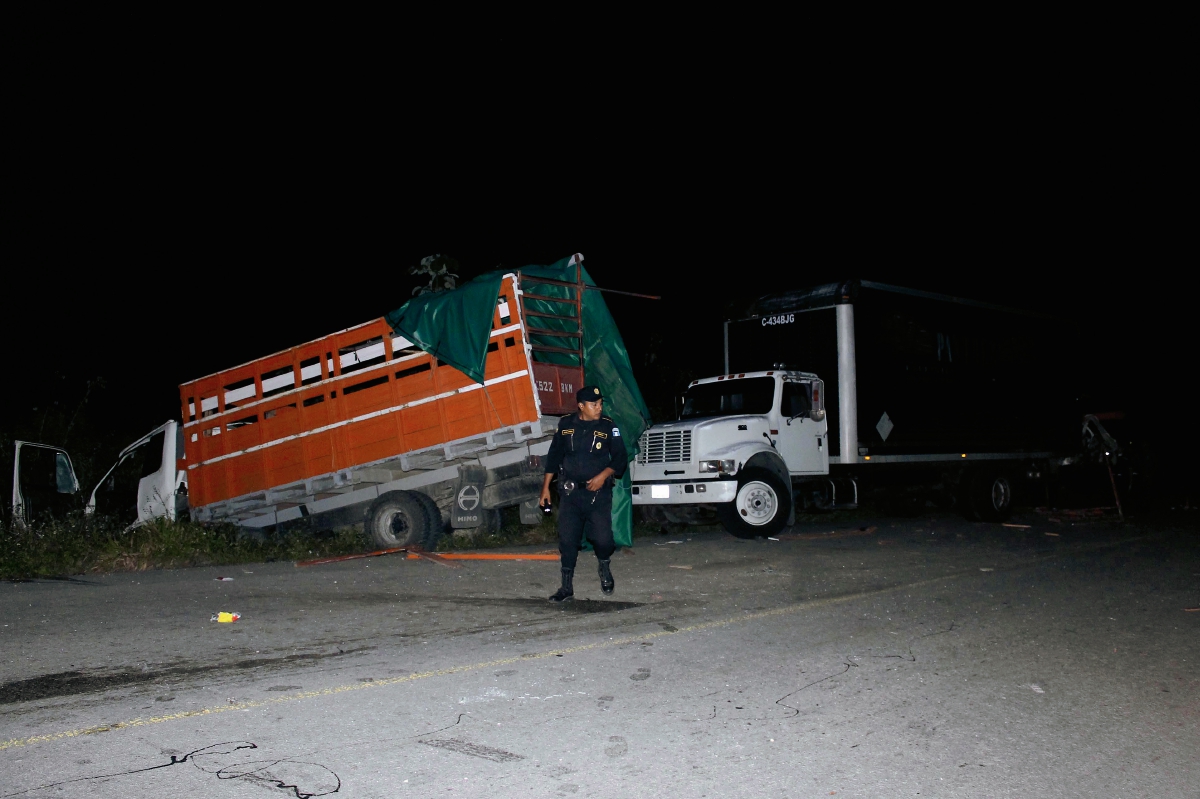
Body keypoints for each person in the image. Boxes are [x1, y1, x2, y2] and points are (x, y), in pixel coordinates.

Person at [539, 385, 628, 602]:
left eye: (600, 404)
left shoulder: (608, 426)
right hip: (570, 494)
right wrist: (545, 489)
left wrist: (602, 476)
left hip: (598, 495)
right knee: (568, 541)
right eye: (593, 404)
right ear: (581, 406)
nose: (599, 408)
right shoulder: (566, 424)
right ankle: (566, 588)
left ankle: (604, 566)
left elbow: (620, 458)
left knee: (603, 540)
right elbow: (554, 456)